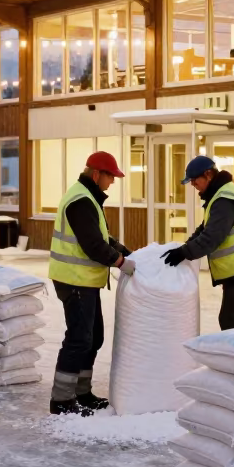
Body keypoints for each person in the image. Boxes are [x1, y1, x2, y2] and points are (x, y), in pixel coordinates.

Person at [48, 150, 134, 416]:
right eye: (110, 177)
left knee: (93, 336)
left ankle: (81, 392)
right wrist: (120, 262)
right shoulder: (81, 200)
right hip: (74, 280)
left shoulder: (88, 198)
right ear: (96, 174)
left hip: (83, 281)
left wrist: (125, 251)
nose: (112, 182)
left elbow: (101, 237)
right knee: (78, 338)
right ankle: (61, 400)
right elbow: (93, 245)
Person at [161, 155, 234, 330]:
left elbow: (211, 238)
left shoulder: (224, 199)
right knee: (233, 319)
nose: (193, 185)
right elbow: (205, 228)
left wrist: (184, 252)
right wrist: (185, 246)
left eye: (194, 180)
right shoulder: (219, 194)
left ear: (208, 174)